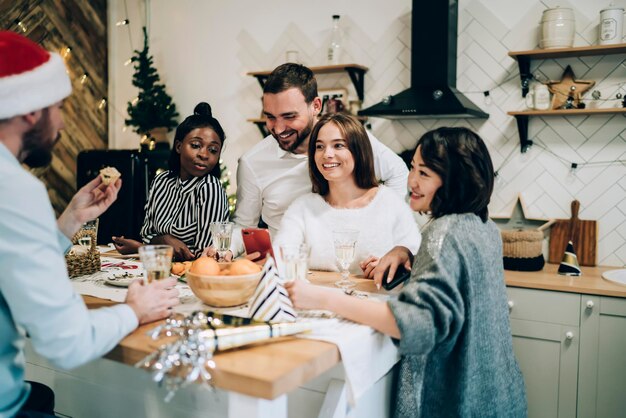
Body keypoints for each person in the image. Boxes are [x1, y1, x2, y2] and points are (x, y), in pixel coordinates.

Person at [286, 127, 527, 417]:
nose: (411, 180)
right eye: (412, 167)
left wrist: (324, 299)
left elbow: (416, 326)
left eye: (424, 173)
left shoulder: (443, 233)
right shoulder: (483, 226)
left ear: (455, 178)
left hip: (456, 401)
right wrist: (409, 256)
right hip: (498, 393)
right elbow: (454, 298)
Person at [0, 31, 179, 418]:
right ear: (31, 109)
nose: (62, 122)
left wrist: (70, 221)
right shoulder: (13, 187)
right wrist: (135, 309)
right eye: (59, 106)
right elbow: (67, 343)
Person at [232, 63, 409, 249]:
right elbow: (244, 226)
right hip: (291, 269)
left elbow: (398, 173)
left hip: (350, 266)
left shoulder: (350, 139)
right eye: (270, 117)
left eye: (289, 116)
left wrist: (383, 230)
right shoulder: (252, 162)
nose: (278, 128)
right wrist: (225, 249)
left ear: (316, 106)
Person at [274, 113, 420, 274]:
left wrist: (392, 265)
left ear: (359, 151)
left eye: (338, 145)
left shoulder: (389, 203)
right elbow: (281, 258)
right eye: (319, 147)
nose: (327, 154)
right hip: (317, 297)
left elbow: (414, 259)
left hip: (374, 298)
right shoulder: (302, 209)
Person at [111, 102, 229, 261]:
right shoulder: (161, 181)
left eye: (213, 150)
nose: (204, 154)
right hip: (156, 267)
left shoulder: (210, 188)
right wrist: (164, 240)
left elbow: (203, 255)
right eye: (195, 145)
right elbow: (146, 233)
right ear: (179, 146)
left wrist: (144, 248)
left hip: (189, 279)